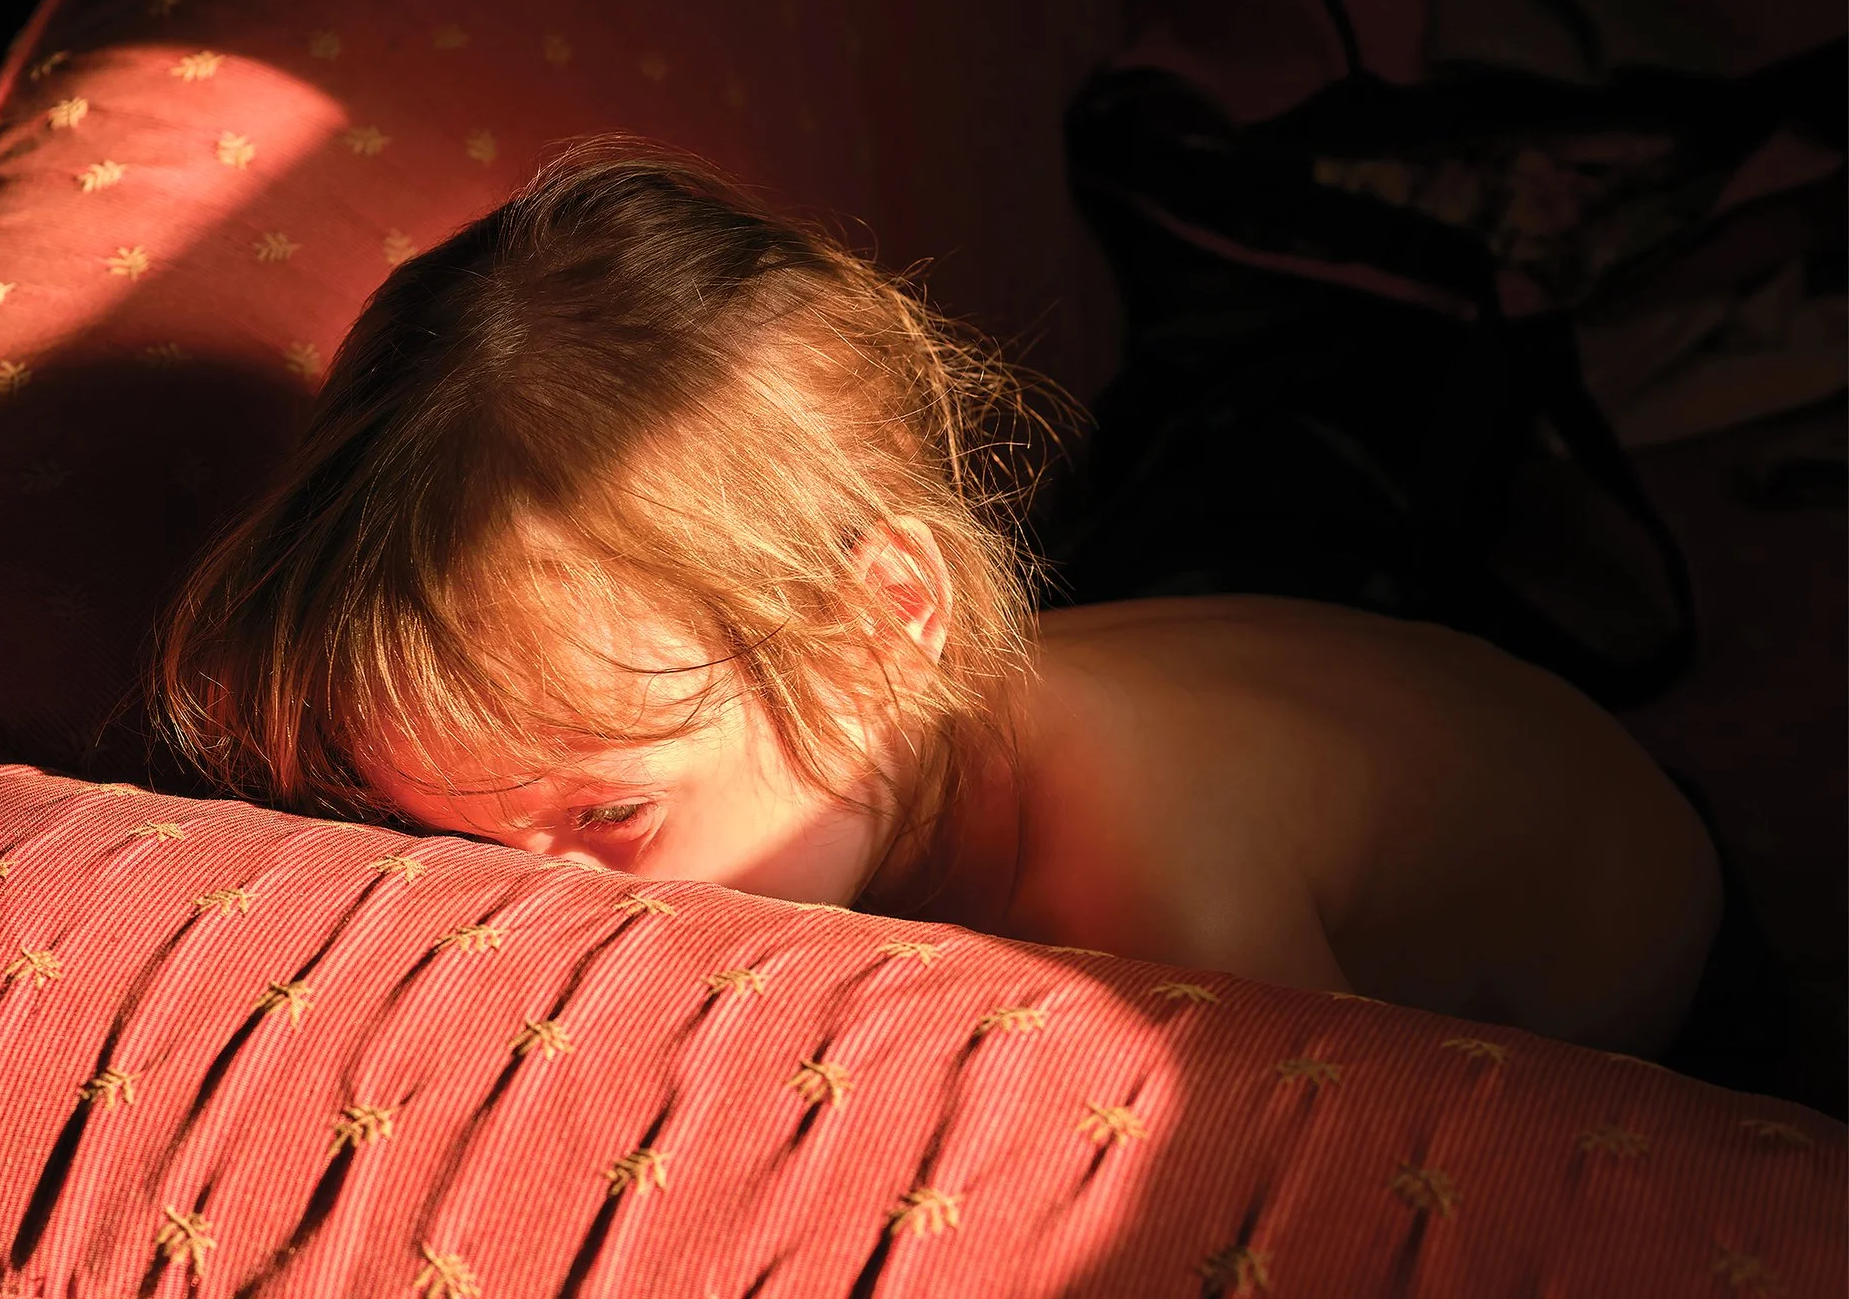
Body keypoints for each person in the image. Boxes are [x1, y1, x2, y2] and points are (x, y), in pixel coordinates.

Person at [153, 144, 1722, 1061]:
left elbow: (1330, 1239)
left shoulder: (1154, 906)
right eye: (453, 838)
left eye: (611, 817)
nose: (541, 913)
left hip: (1672, 985)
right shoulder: (858, 736)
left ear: (885, 621)